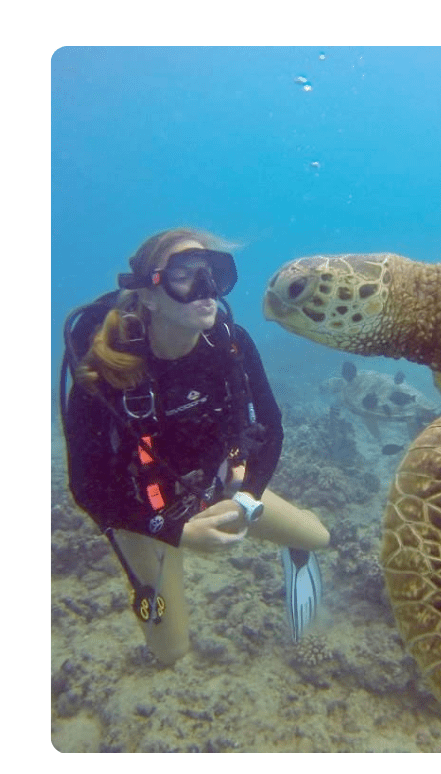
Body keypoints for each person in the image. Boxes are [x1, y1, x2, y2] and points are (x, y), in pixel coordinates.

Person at [61, 227, 330, 666]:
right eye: (185, 275)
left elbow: (271, 429)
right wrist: (174, 531)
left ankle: (294, 552)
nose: (206, 290)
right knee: (171, 651)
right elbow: (87, 488)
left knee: (319, 536)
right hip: (142, 511)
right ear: (148, 295)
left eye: (213, 273)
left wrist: (245, 499)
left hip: (218, 487)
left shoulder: (230, 344)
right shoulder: (105, 370)